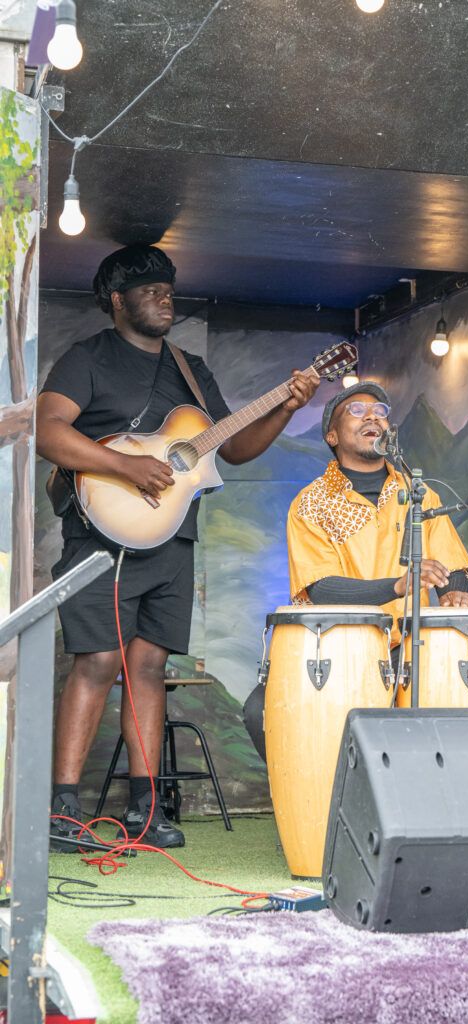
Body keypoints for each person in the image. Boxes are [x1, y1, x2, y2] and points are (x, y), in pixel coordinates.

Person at [36, 243, 319, 850]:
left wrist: (286, 407)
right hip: (101, 537)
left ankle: (146, 810)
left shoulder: (190, 369)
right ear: (117, 300)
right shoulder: (87, 358)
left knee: (149, 666)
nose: (165, 299)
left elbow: (233, 447)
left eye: (168, 291)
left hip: (172, 539)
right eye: (150, 291)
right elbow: (47, 432)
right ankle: (62, 811)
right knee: (98, 661)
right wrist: (124, 466)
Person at [243, 380, 468, 760]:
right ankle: (320, 793)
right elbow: (321, 588)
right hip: (341, 649)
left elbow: (449, 566)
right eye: (356, 410)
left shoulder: (419, 494)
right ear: (332, 435)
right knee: (260, 709)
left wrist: (455, 593)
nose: (372, 416)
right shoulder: (312, 503)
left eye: (380, 412)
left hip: (410, 649)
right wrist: (398, 586)